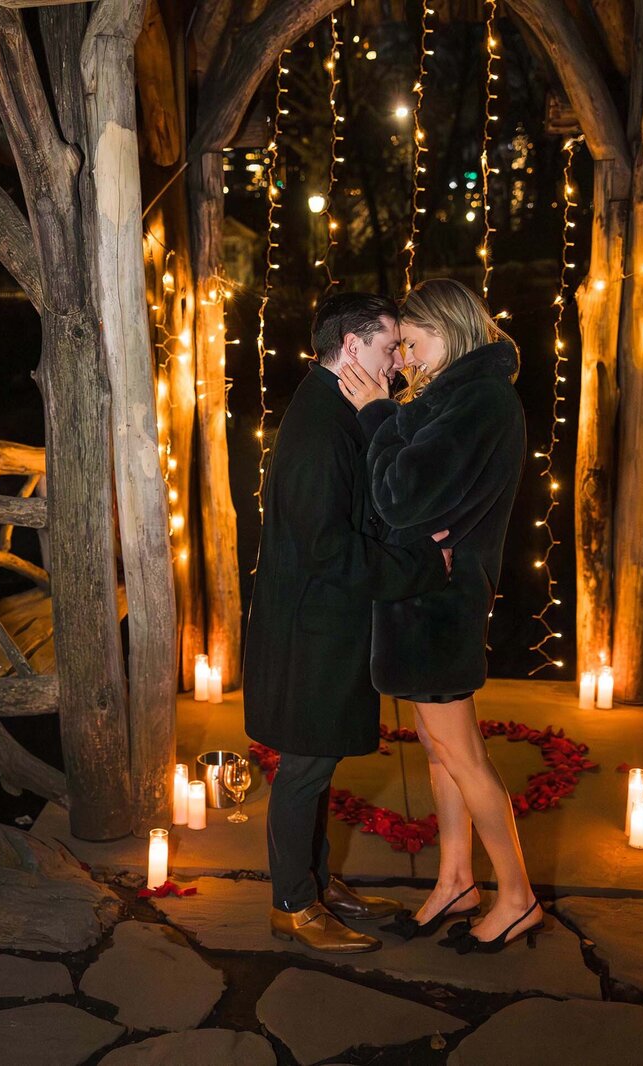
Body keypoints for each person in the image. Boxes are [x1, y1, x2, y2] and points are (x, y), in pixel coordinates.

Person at [244, 291, 452, 954]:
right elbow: (328, 550)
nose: (398, 362)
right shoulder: (315, 430)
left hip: (325, 622)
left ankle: (318, 882)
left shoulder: (334, 409)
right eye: (391, 348)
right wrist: (422, 565)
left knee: (319, 762)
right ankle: (291, 905)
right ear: (353, 346)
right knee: (304, 765)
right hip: (312, 630)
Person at [337, 278, 540, 954]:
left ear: (448, 329)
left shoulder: (479, 400)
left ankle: (517, 896)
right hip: (425, 596)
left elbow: (402, 496)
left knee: (462, 753)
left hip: (442, 604)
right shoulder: (452, 396)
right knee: (437, 749)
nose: (404, 359)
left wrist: (375, 415)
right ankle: (456, 878)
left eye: (413, 343)